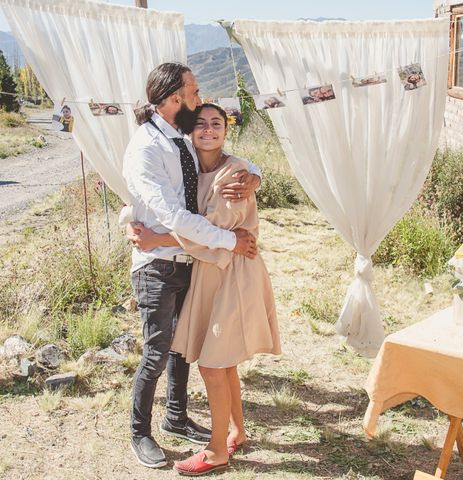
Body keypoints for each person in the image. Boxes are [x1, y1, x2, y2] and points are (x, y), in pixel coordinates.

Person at [122, 62, 262, 470]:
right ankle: (140, 432)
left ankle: (177, 417)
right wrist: (232, 241)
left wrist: (254, 175)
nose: (199, 99)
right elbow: (176, 217)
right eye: (194, 91)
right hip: (158, 264)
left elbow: (223, 157)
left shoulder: (180, 135)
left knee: (184, 348)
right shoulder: (146, 147)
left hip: (192, 260)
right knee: (157, 350)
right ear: (173, 99)